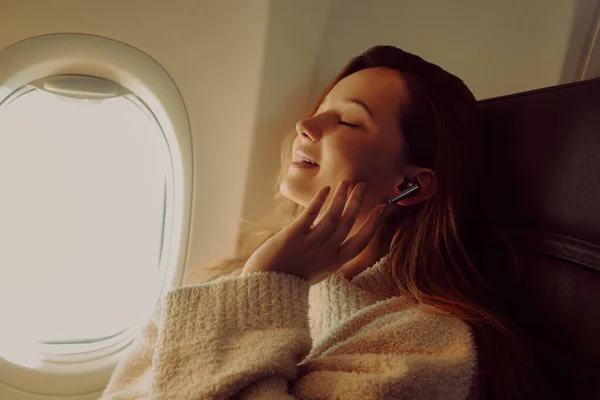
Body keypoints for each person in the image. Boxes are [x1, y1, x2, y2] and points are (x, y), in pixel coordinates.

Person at [101, 45, 538, 399]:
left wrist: (269, 283)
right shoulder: (238, 279)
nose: (305, 125)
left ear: (409, 185)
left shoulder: (428, 342)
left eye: (348, 120)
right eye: (320, 109)